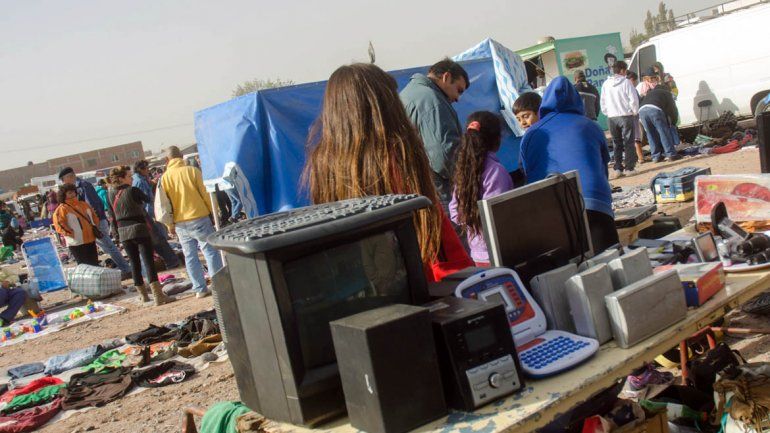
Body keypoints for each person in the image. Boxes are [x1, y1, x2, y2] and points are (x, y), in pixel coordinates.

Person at [306, 63, 473, 282]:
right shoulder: (398, 152)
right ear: (381, 105)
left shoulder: (322, 161)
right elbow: (431, 230)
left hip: (369, 279)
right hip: (421, 273)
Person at [520, 77, 619, 253]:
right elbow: (603, 167)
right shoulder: (591, 126)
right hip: (596, 204)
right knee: (612, 263)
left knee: (570, 271)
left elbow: (528, 174)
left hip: (553, 209)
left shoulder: (532, 134)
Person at [400, 58, 469, 211]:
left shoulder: (408, 93)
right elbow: (443, 154)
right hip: (438, 191)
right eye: (458, 90)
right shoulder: (432, 100)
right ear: (446, 77)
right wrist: (467, 178)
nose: (457, 98)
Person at [449, 112, 513, 266]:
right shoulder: (496, 171)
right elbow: (499, 213)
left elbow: (454, 211)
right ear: (497, 140)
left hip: (478, 254)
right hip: (499, 252)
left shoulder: (464, 170)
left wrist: (472, 222)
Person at [159, 146, 223, 298]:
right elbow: (206, 195)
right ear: (181, 156)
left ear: (167, 160)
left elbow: (164, 204)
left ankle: (200, 289)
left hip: (180, 222)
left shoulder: (165, 178)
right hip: (199, 216)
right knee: (210, 251)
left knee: (190, 256)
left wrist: (169, 224)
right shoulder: (192, 171)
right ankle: (218, 285)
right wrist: (214, 212)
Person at [108, 166, 174, 305]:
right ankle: (158, 296)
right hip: (139, 229)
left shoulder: (110, 193)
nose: (131, 179)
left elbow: (112, 215)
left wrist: (116, 235)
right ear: (121, 178)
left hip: (123, 232)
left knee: (134, 264)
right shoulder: (132, 190)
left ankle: (143, 296)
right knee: (148, 261)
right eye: (129, 176)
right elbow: (147, 199)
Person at [59, 167, 132, 276]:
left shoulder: (83, 186)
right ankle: (125, 269)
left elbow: (93, 206)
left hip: (95, 223)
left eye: (63, 180)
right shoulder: (78, 187)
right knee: (107, 247)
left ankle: (127, 270)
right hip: (92, 224)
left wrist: (94, 224)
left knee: (109, 247)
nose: (63, 183)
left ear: (69, 177)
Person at [132, 160, 180, 268]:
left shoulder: (140, 180)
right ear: (140, 169)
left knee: (159, 237)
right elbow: (146, 200)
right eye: (146, 168)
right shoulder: (140, 181)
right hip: (149, 213)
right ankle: (171, 261)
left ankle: (169, 260)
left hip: (149, 213)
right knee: (159, 238)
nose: (148, 170)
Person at [601, 61, 640, 178]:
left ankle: (618, 168)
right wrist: (634, 111)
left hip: (611, 117)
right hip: (625, 115)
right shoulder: (626, 82)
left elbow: (603, 102)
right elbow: (633, 99)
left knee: (616, 143)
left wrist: (607, 112)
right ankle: (629, 168)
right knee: (628, 142)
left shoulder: (606, 84)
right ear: (623, 70)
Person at [52, 183, 101, 266]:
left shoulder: (84, 204)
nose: (73, 194)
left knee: (95, 264)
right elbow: (59, 225)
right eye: (69, 193)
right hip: (76, 243)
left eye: (73, 192)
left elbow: (94, 217)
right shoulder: (61, 209)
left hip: (90, 239)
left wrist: (95, 227)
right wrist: (73, 234)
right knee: (84, 267)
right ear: (64, 195)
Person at [639, 73, 681, 163]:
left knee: (650, 133)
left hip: (642, 111)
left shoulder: (651, 92)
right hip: (654, 109)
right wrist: (673, 122)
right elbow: (672, 110)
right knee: (663, 131)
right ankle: (670, 154)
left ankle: (656, 156)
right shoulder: (666, 93)